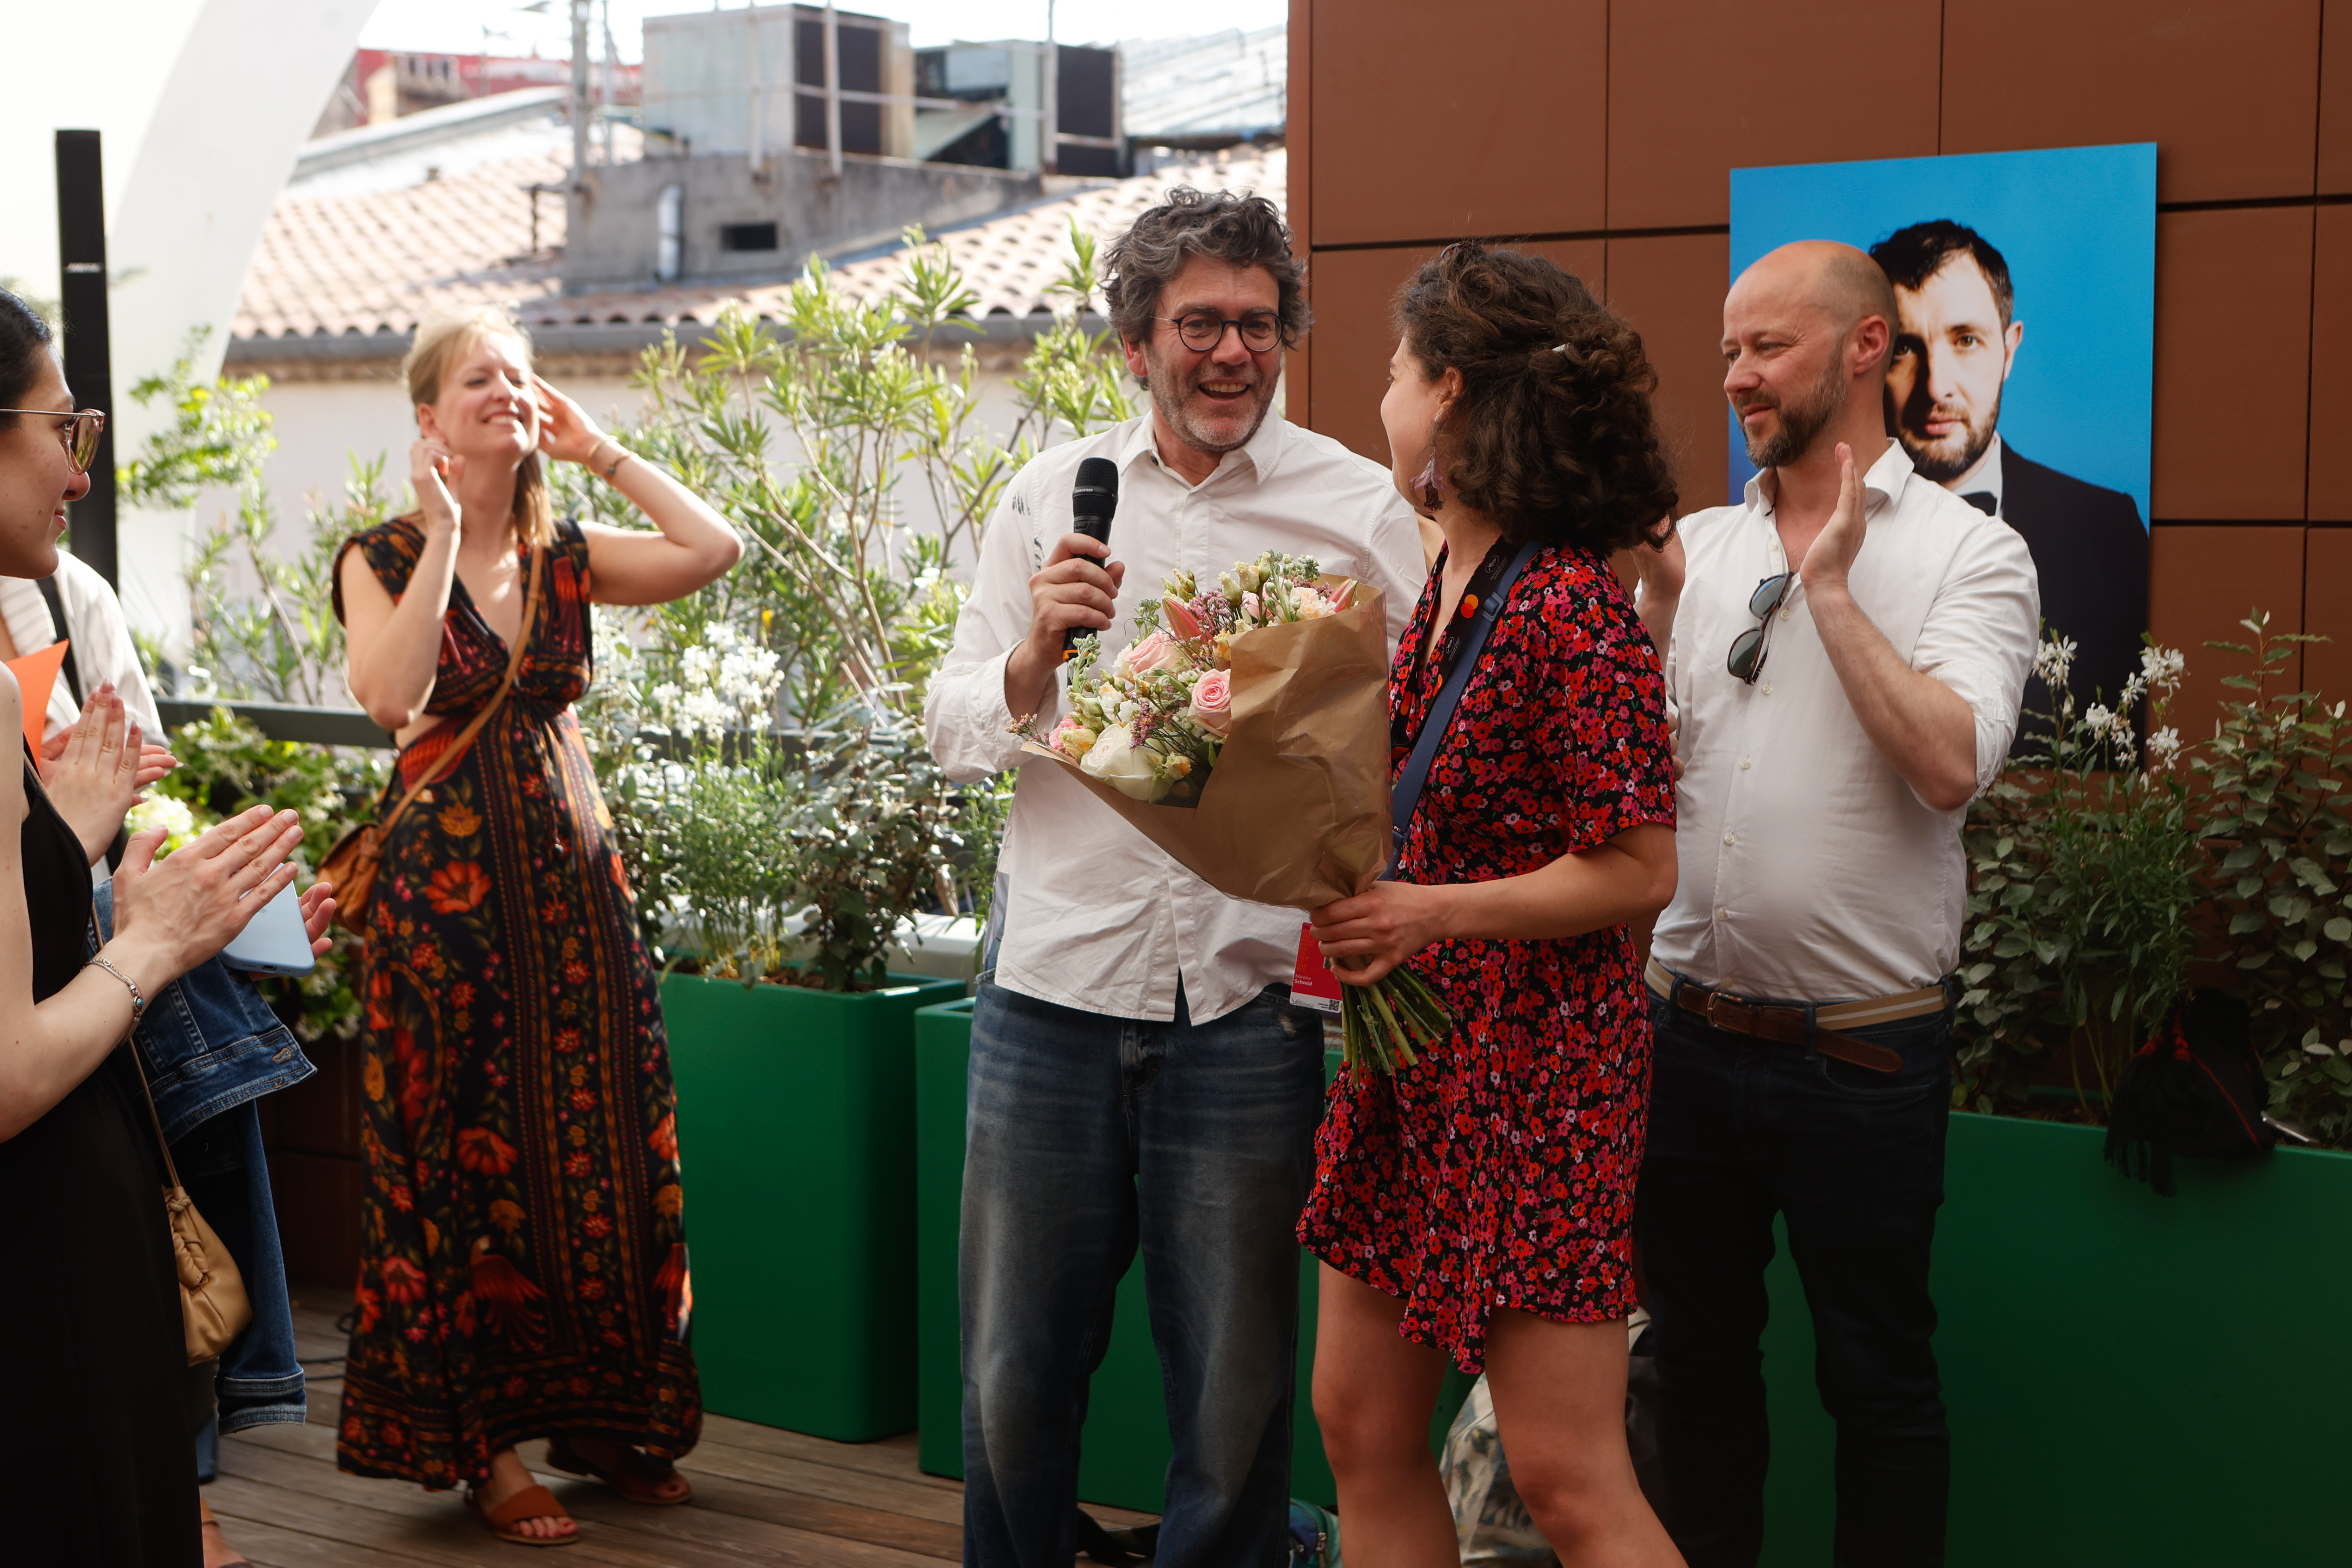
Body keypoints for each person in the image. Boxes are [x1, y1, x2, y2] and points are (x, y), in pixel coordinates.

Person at [923, 187, 1424, 1566]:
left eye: (1258, 325)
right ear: (1134, 343)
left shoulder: (1358, 507)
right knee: (1011, 1382)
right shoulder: (1049, 497)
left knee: (1237, 1395)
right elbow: (951, 720)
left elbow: (1436, 709)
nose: (1232, 352)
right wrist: (1032, 661)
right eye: (1199, 322)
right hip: (1054, 993)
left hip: (1254, 1012)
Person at [1628, 242, 2038, 1568]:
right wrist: (1646, 614)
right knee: (1692, 1373)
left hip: (1861, 1058)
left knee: (1878, 1387)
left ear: (1867, 348)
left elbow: (1945, 764)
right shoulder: (1694, 548)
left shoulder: (1976, 553)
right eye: (1732, 346)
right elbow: (1641, 774)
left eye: (1771, 346)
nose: (1738, 373)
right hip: (1682, 1043)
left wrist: (1833, 588)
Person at [1295, 244, 1684, 1568]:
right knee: (1356, 1421)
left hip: (1539, 1077)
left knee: (1567, 1477)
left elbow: (1642, 870)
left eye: (1397, 371)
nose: (1382, 393)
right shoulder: (1448, 585)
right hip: (1416, 1056)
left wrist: (1431, 915)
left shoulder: (1571, 604)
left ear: (1452, 395)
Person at [333, 304, 741, 1546]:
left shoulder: (569, 553)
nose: (505, 390)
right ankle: (490, 1451)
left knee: (608, 1158)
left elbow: (713, 548)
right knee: (461, 1166)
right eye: (478, 379)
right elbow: (391, 697)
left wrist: (604, 449)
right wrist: (450, 524)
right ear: (429, 419)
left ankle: (609, 1416)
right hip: (442, 924)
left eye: (519, 375)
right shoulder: (386, 555)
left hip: (576, 913)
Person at [0, 284, 318, 1567]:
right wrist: (152, 943)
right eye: (59, 428)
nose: (79, 472)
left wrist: (71, 837)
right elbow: (12, 1074)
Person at [1869, 220, 2145, 711]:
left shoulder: (2109, 532)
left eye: (1966, 340)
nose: (1937, 388)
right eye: (1905, 349)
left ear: (2009, 350)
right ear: (1868, 362)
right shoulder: (1816, 535)